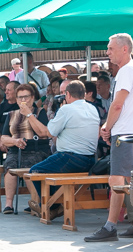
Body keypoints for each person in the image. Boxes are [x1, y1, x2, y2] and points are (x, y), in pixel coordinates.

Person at [85, 34, 133, 242]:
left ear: (124, 49)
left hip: (126, 132)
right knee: (131, 179)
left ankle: (111, 226)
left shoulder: (126, 71)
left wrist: (107, 126)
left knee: (117, 179)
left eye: (111, 48)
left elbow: (118, 104)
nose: (107, 52)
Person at [26, 81, 99, 220]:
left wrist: (61, 109)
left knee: (35, 171)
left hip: (70, 157)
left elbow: (50, 131)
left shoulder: (66, 109)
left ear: (68, 94)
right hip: (90, 160)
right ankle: (53, 205)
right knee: (48, 170)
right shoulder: (92, 108)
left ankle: (51, 206)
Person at [0, 83, 51, 214]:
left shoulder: (40, 112)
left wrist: (29, 115)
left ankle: (35, 202)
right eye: (20, 97)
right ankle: (8, 204)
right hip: (16, 149)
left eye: (26, 97)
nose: (23, 100)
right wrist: (15, 141)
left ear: (33, 98)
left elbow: (43, 133)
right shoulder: (11, 114)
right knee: (10, 166)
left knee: (30, 166)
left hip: (36, 148)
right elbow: (4, 138)